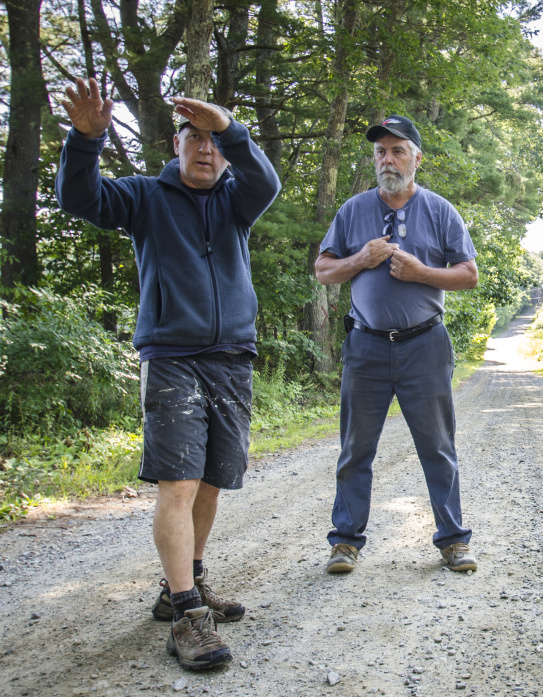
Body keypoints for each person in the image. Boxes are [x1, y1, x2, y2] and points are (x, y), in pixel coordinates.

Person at [56, 77, 281, 668]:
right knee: (179, 481)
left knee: (211, 480)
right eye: (194, 137)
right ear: (175, 145)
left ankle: (185, 580)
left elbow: (267, 180)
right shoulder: (143, 197)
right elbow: (80, 200)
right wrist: (86, 141)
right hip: (172, 356)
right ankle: (187, 613)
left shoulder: (237, 195)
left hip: (232, 357)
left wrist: (230, 124)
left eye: (214, 140)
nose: (206, 148)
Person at [315, 115, 479, 574]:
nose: (388, 159)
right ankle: (345, 542)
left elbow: (469, 274)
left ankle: (454, 541)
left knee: (438, 448)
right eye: (380, 152)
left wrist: (421, 272)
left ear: (417, 158)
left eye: (397, 150)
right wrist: (360, 258)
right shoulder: (352, 211)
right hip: (365, 346)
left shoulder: (441, 211)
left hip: (424, 345)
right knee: (355, 449)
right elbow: (324, 270)